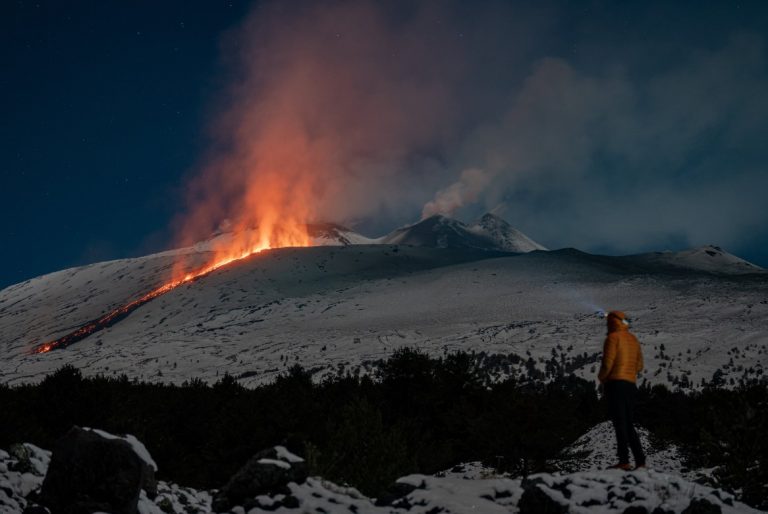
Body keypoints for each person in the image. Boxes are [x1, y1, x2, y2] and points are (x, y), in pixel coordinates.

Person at [597, 310, 646, 471]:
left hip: (615, 385)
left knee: (620, 423)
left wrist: (602, 378)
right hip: (630, 385)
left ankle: (623, 460)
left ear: (612, 323)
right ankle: (640, 461)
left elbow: (607, 364)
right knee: (629, 423)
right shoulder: (633, 339)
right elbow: (639, 366)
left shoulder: (612, 338)